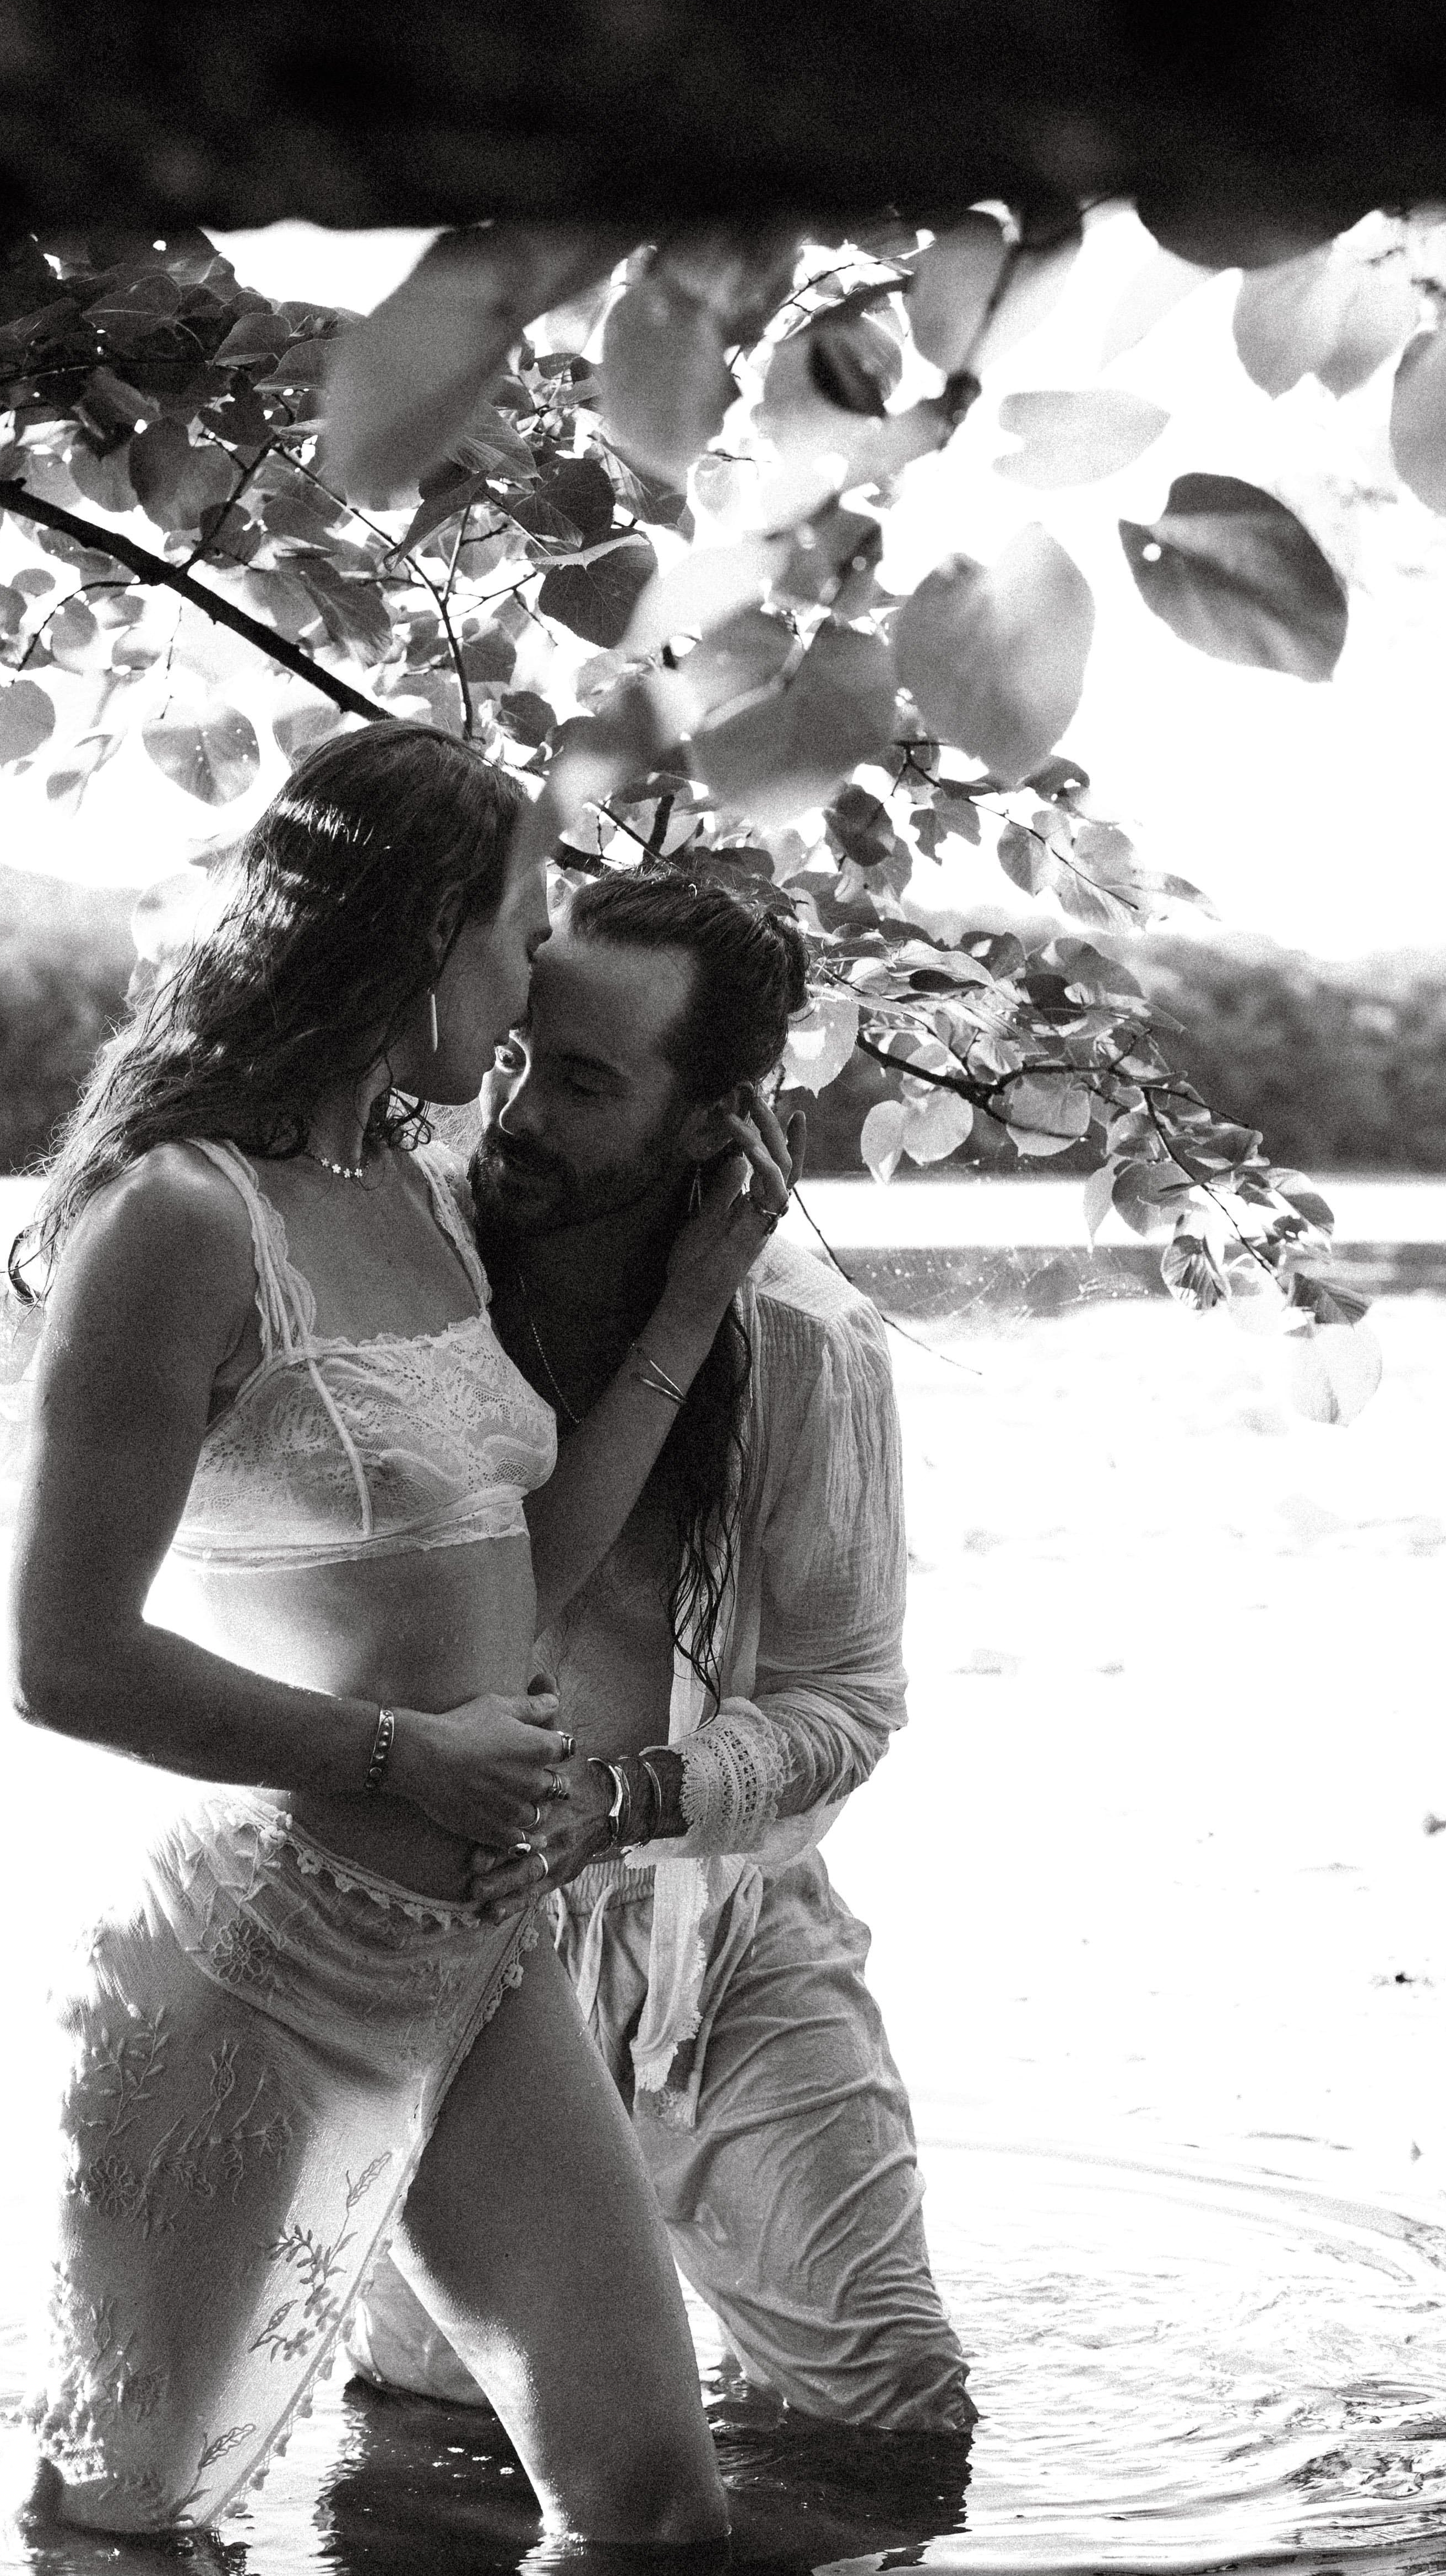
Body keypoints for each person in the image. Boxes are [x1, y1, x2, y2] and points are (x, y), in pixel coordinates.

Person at [0, 726, 795, 2541]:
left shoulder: (416, 1198)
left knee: (655, 2500)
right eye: (510, 930)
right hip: (260, 1964)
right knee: (129, 2528)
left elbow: (525, 1567)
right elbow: (62, 1660)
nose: (521, 986)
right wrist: (404, 1755)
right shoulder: (181, 1221)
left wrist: (691, 1304)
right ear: (414, 936)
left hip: (478, 1948)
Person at [344, 866, 974, 2436]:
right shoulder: (402, 1277)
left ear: (711, 1122)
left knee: (891, 2416)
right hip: (446, 1942)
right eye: (512, 1055)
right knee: (435, 2442)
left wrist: (621, 1801)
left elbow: (845, 1702)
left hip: (726, 1928)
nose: (514, 1114)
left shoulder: (801, 1347)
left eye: (579, 1082)